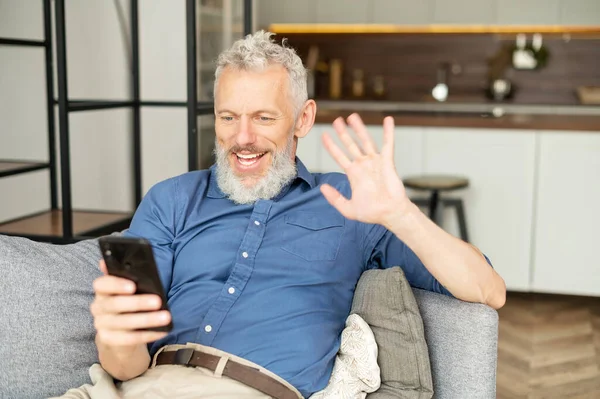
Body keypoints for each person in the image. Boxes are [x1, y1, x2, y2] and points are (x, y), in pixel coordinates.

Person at [87, 31, 506, 399]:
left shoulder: (351, 202)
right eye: (228, 118)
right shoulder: (171, 199)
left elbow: (489, 290)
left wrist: (402, 214)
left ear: (303, 119)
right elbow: (127, 366)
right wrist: (114, 336)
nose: (242, 138)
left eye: (264, 118)